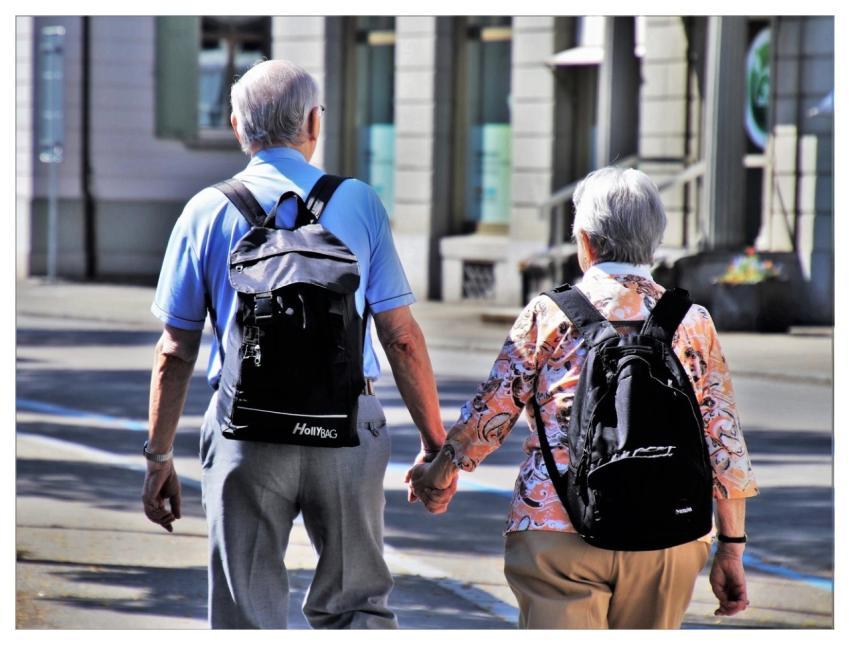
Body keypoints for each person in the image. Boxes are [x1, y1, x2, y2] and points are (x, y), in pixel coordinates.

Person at [141, 59, 455, 629]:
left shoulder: (205, 210)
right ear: (314, 122)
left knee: (245, 614)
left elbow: (175, 351)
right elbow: (401, 338)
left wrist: (159, 457)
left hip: (246, 431)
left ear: (238, 127)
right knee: (356, 603)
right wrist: (438, 446)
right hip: (346, 428)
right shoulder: (359, 202)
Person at [408, 166, 758, 629]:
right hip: (668, 535)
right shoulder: (692, 321)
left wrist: (439, 472)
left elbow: (490, 415)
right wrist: (731, 547)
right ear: (654, 240)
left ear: (587, 241)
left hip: (557, 527)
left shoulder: (549, 313)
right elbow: (723, 440)